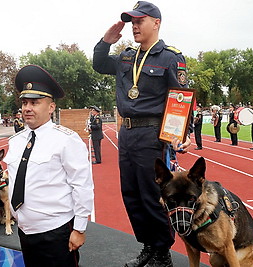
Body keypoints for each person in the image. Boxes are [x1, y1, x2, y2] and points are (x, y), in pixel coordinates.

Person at [93, 2, 191, 266]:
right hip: (127, 133)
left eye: (140, 21)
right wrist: (105, 41)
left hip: (152, 134)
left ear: (156, 23)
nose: (134, 26)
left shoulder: (170, 57)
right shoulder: (127, 56)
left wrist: (183, 133)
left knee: (153, 195)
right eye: (132, 22)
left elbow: (180, 97)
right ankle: (148, 245)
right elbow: (99, 64)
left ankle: (162, 252)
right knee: (132, 194)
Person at [3, 65, 94, 267]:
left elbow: (82, 185)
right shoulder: (15, 141)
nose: (27, 108)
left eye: (34, 103)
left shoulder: (66, 140)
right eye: (25, 102)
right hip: (25, 230)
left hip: (56, 231)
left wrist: (79, 229)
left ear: (51, 107)